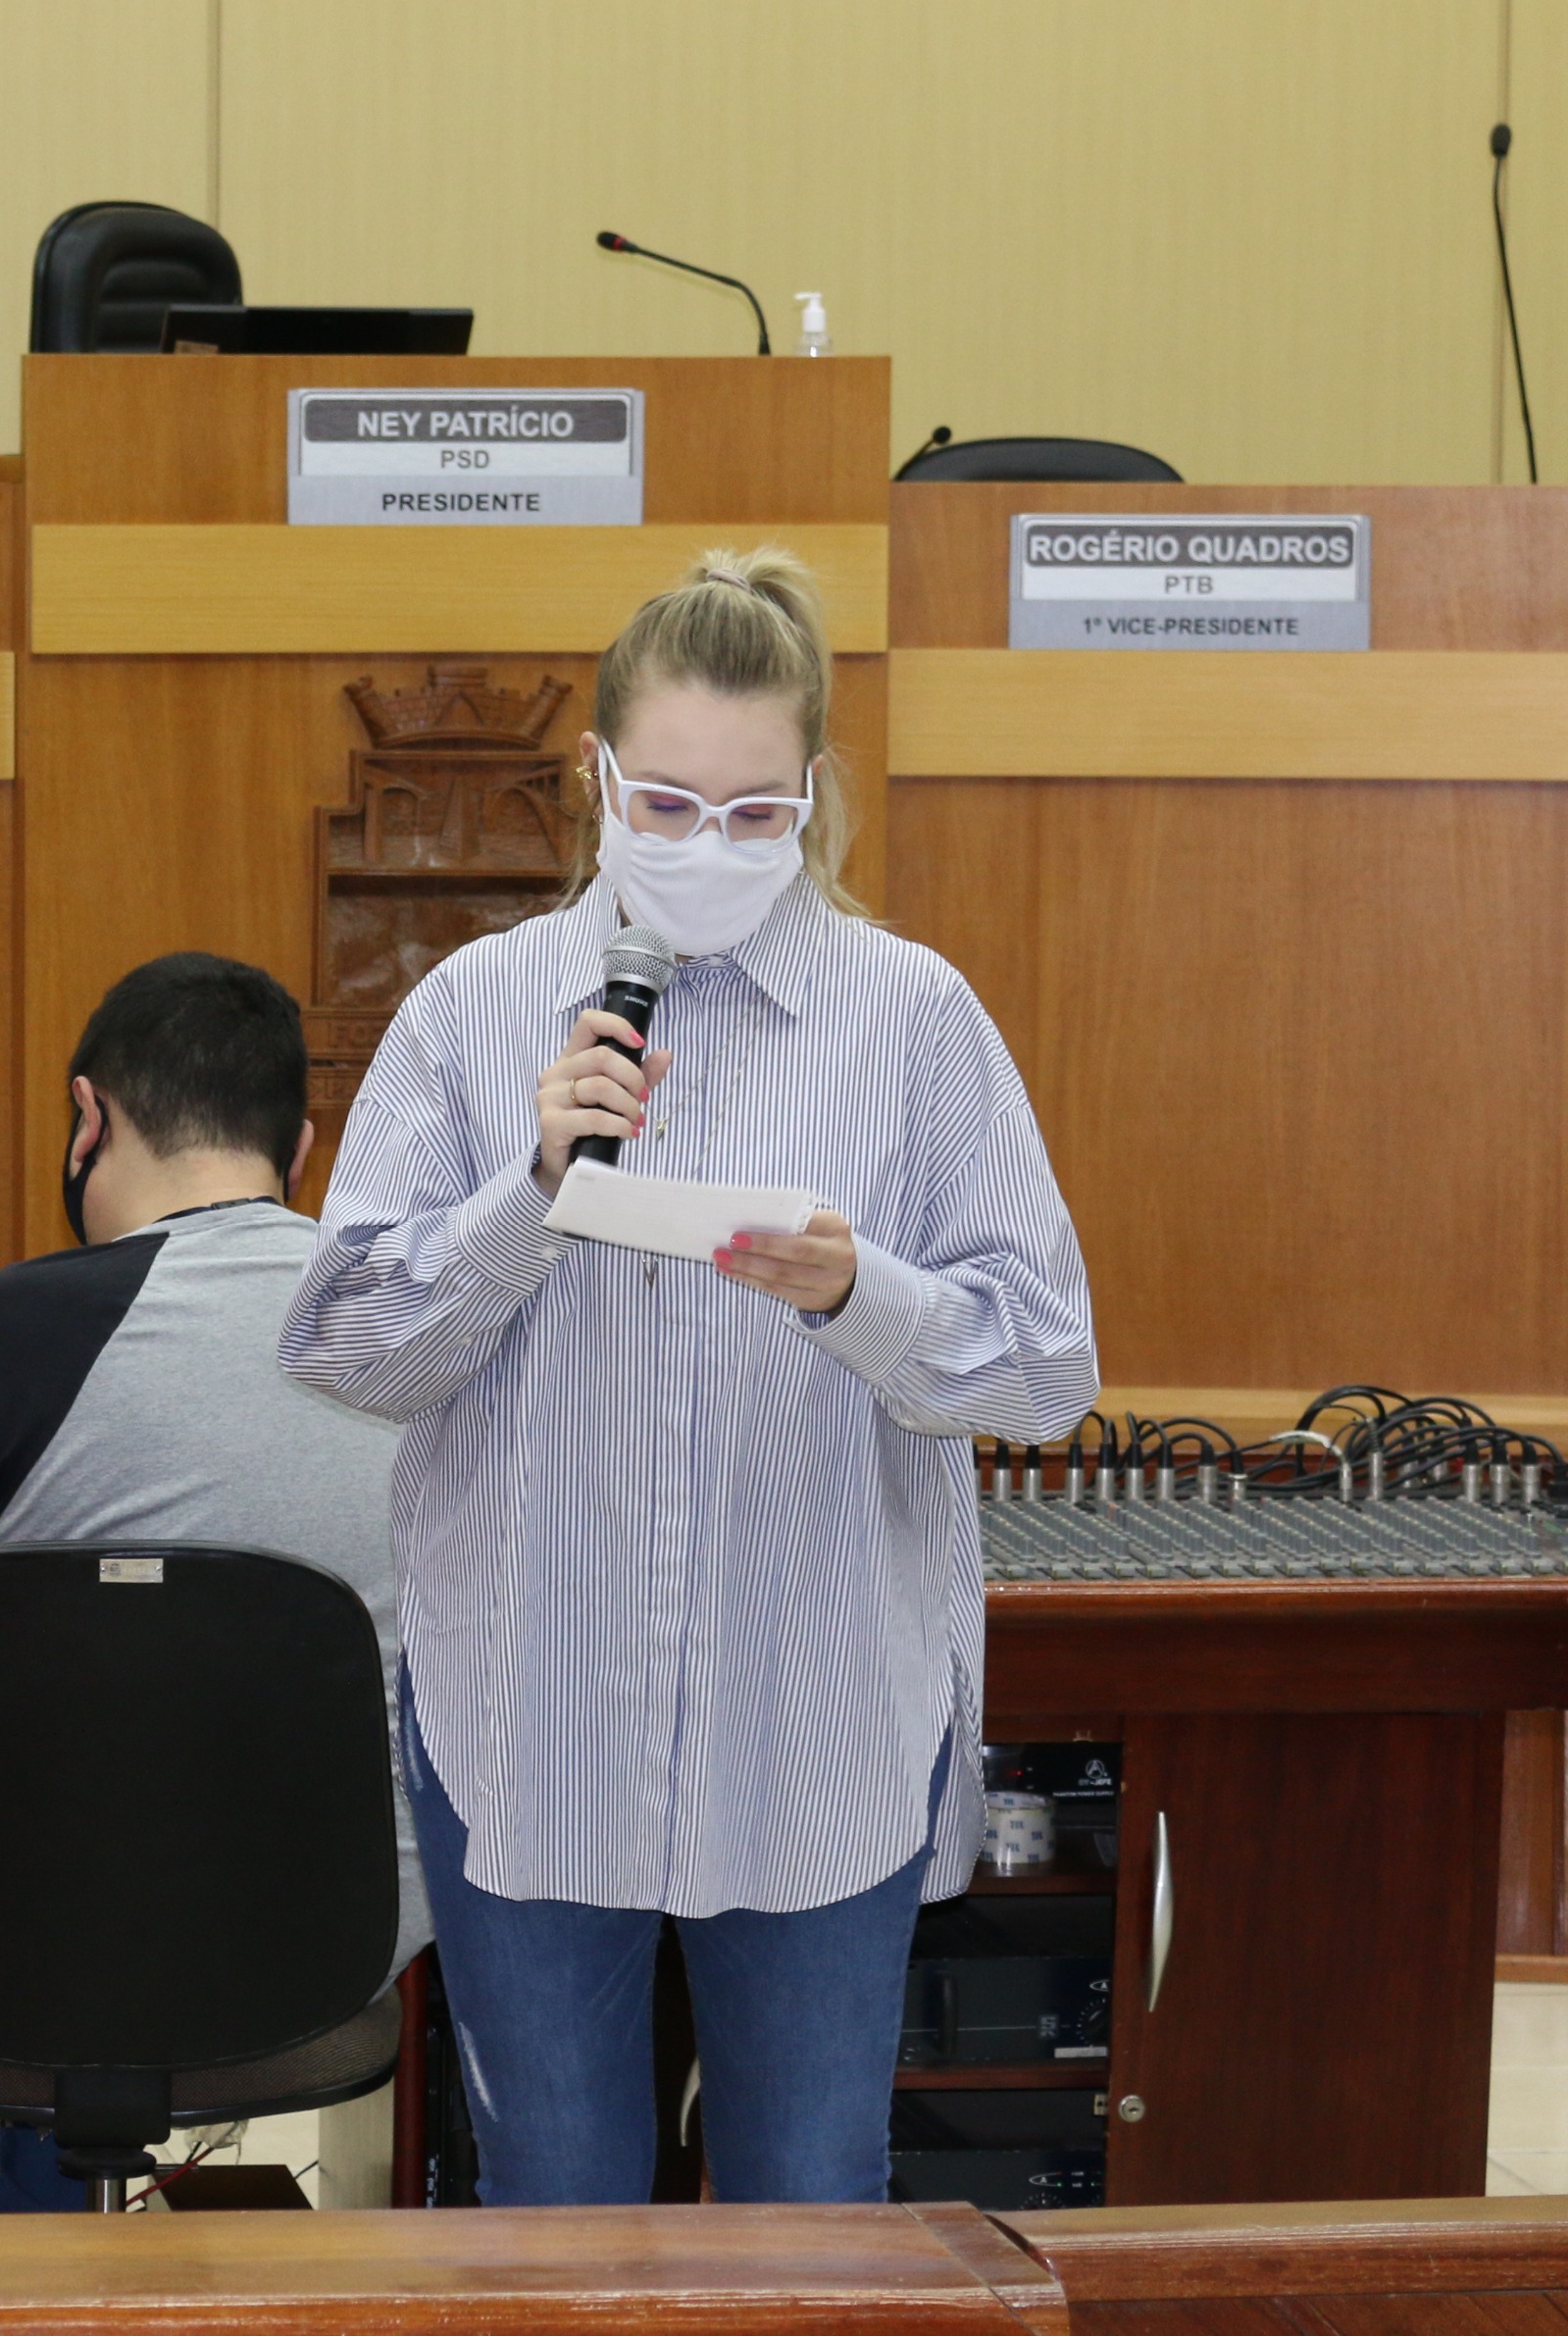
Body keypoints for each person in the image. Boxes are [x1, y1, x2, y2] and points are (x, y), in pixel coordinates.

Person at [278, 545, 1096, 2207]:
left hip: (817, 1723)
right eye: (662, 805)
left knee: (809, 2199)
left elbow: (1040, 1366)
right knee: (557, 2202)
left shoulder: (914, 1021)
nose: (703, 847)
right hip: (531, 1724)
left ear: (810, 795)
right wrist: (527, 1195)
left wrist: (860, 1292)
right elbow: (348, 1348)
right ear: (591, 779)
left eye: (747, 813)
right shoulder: (471, 1012)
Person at [0, 951, 426, 2213]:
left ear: (89, 1118)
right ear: (299, 1146)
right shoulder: (411, 1334)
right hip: (331, 1962)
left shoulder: (4, 1335)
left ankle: (28, 2212)